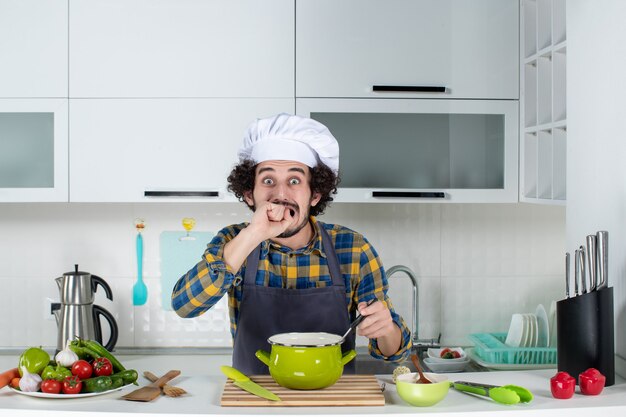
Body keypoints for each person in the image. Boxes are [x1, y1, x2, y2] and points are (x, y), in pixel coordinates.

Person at [172, 113, 411, 374]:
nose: (281, 194)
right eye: (268, 181)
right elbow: (185, 306)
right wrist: (253, 234)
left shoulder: (353, 248)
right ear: (250, 194)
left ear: (315, 194)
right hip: (256, 399)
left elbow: (392, 353)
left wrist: (386, 328)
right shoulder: (234, 241)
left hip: (332, 401)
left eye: (294, 181)